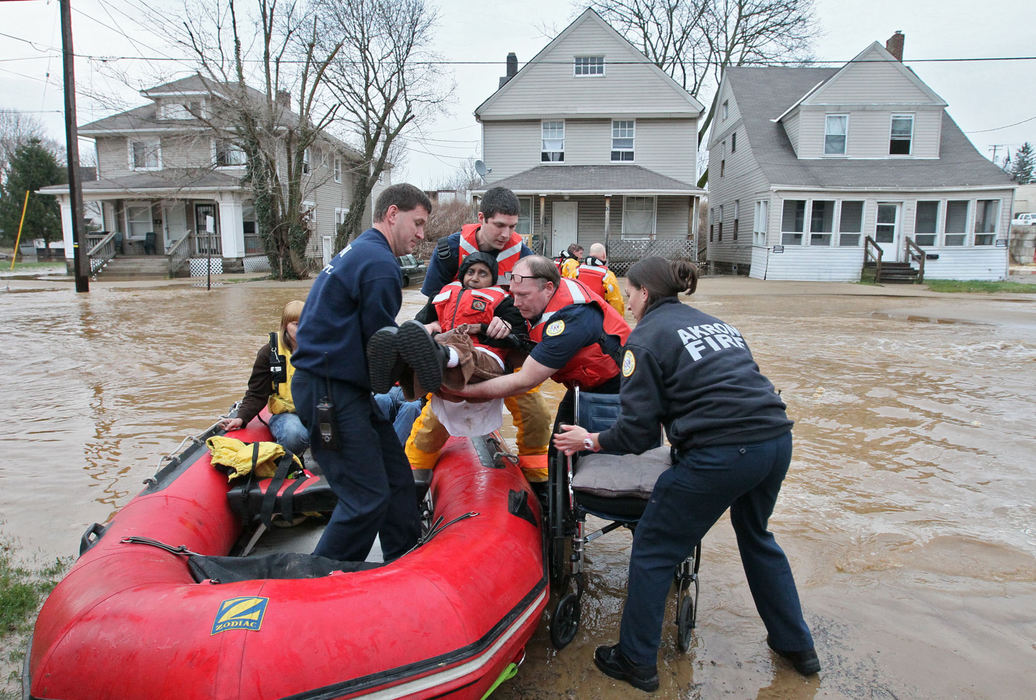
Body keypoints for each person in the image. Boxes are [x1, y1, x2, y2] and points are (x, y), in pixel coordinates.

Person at [553, 256, 819, 692]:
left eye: (630, 293)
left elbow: (639, 433)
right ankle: (798, 647)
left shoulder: (645, 338)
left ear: (642, 293)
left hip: (723, 452)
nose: (629, 303)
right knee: (756, 536)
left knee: (655, 546)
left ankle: (636, 661)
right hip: (775, 441)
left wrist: (591, 440)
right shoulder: (718, 325)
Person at [290, 183, 431, 563]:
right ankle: (315, 586)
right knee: (365, 498)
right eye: (416, 223)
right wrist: (428, 369)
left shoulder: (361, 251)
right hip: (328, 395)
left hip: (342, 389)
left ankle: (404, 561)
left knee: (397, 480)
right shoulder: (381, 266)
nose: (421, 234)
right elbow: (381, 353)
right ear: (391, 214)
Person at [419, 186, 552, 482]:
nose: (507, 234)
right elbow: (430, 310)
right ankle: (415, 477)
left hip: (504, 349)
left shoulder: (525, 257)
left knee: (537, 415)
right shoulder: (448, 251)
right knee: (431, 422)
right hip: (456, 353)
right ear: (481, 218)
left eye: (513, 226)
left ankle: (538, 485)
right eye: (499, 225)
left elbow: (534, 312)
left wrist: (512, 332)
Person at [449, 256, 631, 449]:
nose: (516, 303)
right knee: (558, 448)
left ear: (549, 288)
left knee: (599, 461)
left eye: (524, 295)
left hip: (617, 391)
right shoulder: (539, 300)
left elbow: (525, 381)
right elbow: (524, 345)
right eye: (513, 295)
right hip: (582, 387)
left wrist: (463, 391)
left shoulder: (570, 319)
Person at [374, 253, 531, 476]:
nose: (475, 278)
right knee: (426, 430)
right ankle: (399, 361)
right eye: (471, 272)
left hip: (483, 362)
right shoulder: (443, 296)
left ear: (492, 278)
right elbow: (416, 328)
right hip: (444, 367)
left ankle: (443, 355)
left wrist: (498, 327)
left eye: (482, 273)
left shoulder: (504, 302)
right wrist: (428, 327)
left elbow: (523, 340)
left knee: (459, 350)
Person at [218, 300, 309, 456]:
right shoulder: (269, 353)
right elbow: (256, 393)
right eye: (295, 324)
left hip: (317, 412)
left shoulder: (322, 348)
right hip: (286, 415)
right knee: (294, 434)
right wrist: (241, 418)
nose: (301, 329)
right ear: (285, 325)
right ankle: (290, 462)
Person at [575, 242, 625, 316]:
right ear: (604, 255)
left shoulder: (577, 271)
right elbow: (616, 301)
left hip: (578, 314)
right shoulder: (607, 275)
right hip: (598, 316)